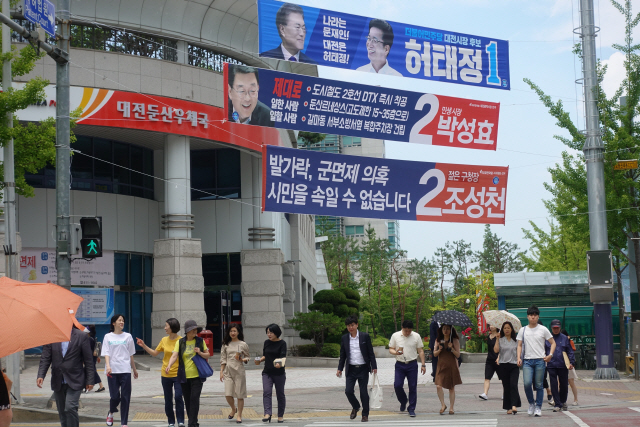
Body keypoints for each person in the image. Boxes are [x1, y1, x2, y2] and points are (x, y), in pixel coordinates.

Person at [36, 323, 95, 427]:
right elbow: (45, 357)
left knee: (70, 407)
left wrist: (90, 380)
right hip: (58, 379)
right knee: (62, 412)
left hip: (76, 379)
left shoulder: (81, 336)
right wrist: (41, 375)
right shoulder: (52, 336)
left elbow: (89, 360)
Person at [136, 318, 184, 427]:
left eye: (166, 326)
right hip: (165, 374)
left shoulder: (181, 340)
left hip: (178, 374)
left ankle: (180, 421)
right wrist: (143, 345)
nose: (165, 328)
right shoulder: (164, 340)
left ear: (172, 327)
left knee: (178, 396)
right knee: (168, 399)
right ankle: (171, 422)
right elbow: (154, 353)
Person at [166, 320, 210, 427]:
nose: (195, 331)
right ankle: (194, 422)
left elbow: (207, 355)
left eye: (196, 329)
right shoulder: (180, 342)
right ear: (187, 331)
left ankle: (191, 423)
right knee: (188, 400)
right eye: (193, 329)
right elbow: (174, 355)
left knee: (194, 398)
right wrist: (169, 365)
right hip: (184, 376)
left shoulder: (200, 341)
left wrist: (199, 352)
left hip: (197, 376)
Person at [336, 315, 377, 422]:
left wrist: (374, 367)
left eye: (352, 325)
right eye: (348, 326)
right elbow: (343, 355)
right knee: (348, 391)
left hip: (363, 368)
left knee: (363, 392)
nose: (351, 327)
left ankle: (365, 414)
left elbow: (370, 353)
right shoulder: (344, 338)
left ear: (357, 325)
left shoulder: (365, 336)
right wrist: (339, 368)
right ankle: (356, 406)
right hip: (351, 369)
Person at [517, 305, 556, 417]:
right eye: (531, 315)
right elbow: (519, 345)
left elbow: (553, 343)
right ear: (527, 316)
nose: (533, 317)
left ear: (538, 316)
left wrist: (550, 355)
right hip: (527, 361)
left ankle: (538, 407)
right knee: (527, 383)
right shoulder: (523, 330)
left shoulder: (543, 329)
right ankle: (531, 404)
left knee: (539, 385)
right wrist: (518, 358)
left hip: (540, 360)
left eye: (535, 315)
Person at [102, 314, 138, 427]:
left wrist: (134, 369)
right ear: (114, 323)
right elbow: (106, 353)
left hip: (125, 370)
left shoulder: (128, 336)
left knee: (126, 397)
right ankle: (111, 412)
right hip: (112, 370)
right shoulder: (108, 337)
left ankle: (124, 423)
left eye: (123, 320)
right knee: (115, 396)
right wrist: (108, 366)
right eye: (119, 320)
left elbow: (131, 354)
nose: (122, 322)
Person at [388, 320, 426, 417]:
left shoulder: (416, 336)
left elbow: (420, 350)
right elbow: (391, 348)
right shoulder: (395, 335)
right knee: (397, 385)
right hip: (400, 364)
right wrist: (396, 352)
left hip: (412, 364)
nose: (407, 333)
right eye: (405, 330)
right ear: (402, 328)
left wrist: (423, 364)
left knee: (413, 387)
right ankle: (403, 400)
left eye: (409, 331)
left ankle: (412, 408)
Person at [255, 323, 287, 423]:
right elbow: (265, 355)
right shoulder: (266, 342)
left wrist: (279, 364)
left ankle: (280, 415)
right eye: (267, 333)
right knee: (267, 392)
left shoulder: (282, 343)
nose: (269, 335)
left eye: (271, 332)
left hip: (279, 373)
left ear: (276, 333)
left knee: (280, 394)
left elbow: (283, 357)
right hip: (267, 372)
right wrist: (260, 360)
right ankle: (267, 413)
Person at [220, 324, 250, 424]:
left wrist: (243, 359)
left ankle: (239, 415)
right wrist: (221, 371)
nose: (233, 333)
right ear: (228, 332)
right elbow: (223, 358)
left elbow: (247, 357)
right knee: (228, 394)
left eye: (235, 331)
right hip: (228, 370)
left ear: (238, 332)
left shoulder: (243, 344)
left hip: (239, 370)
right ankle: (233, 408)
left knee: (240, 395)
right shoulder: (226, 344)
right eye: (231, 331)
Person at [545, 320, 575, 412]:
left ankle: (563, 401)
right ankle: (557, 404)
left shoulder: (565, 338)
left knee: (564, 385)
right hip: (551, 365)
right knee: (553, 385)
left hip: (563, 365)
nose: (556, 329)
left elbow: (570, 351)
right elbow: (544, 350)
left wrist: (572, 362)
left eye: (557, 328)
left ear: (560, 327)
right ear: (551, 328)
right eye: (554, 328)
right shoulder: (548, 338)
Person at [433, 324, 462, 415]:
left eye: (448, 329)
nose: (445, 331)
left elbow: (458, 355)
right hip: (441, 365)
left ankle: (451, 408)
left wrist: (452, 348)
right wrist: (439, 349)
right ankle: (443, 405)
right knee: (438, 386)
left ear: (451, 330)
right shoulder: (438, 340)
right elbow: (434, 354)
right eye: (444, 329)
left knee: (451, 387)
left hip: (451, 365)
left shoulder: (454, 340)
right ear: (441, 330)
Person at [494, 321, 521, 414]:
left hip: (514, 365)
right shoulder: (500, 340)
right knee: (506, 386)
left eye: (508, 328)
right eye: (505, 328)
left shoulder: (516, 340)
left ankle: (514, 405)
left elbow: (519, 351)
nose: (506, 329)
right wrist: (497, 339)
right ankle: (508, 407)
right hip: (503, 365)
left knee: (513, 384)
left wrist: (519, 359)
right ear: (502, 329)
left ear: (512, 329)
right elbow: (496, 350)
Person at [479, 324, 500, 400]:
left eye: (493, 325)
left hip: (498, 360)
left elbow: (502, 349)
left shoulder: (500, 336)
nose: (491, 326)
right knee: (487, 377)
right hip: (489, 360)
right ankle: (485, 393)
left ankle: (506, 393)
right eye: (490, 325)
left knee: (503, 378)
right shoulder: (489, 336)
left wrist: (499, 357)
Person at [562, 330, 579, 406]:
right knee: (559, 383)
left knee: (571, 382)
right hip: (560, 364)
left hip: (569, 364)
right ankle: (557, 400)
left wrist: (567, 340)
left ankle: (576, 399)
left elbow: (571, 351)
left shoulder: (569, 342)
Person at [88, 326, 105, 393]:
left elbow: (89, 349)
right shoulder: (94, 338)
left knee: (93, 371)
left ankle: (101, 385)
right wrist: (98, 357)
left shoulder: (89, 339)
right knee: (92, 371)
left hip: (90, 358)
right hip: (93, 357)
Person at [429, 314, 440, 380]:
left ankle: (438, 374)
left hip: (441, 344)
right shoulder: (433, 323)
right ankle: (435, 375)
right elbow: (432, 335)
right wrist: (434, 345)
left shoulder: (441, 324)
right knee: (435, 360)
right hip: (435, 344)